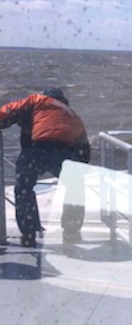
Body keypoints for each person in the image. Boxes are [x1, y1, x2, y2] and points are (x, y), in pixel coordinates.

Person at [0, 87, 90, 247]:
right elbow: (84, 153)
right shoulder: (73, 115)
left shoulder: (37, 100)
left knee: (24, 189)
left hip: (37, 150)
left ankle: (29, 233)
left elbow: (9, 111)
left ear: (46, 95)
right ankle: (71, 232)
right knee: (75, 189)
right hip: (64, 154)